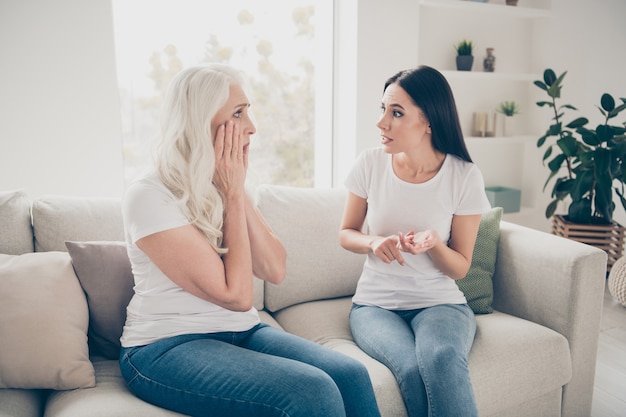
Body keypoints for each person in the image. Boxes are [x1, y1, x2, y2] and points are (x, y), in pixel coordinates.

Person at [119, 63, 382, 417]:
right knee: (311, 391)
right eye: (238, 114)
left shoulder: (228, 184)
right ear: (202, 121)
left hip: (241, 331)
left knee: (350, 374)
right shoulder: (148, 196)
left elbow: (274, 270)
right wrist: (230, 195)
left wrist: (235, 189)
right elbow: (238, 296)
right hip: (165, 346)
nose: (252, 128)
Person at [339, 65, 491, 417]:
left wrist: (436, 244)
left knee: (440, 358)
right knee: (408, 368)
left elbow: (460, 267)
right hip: (375, 306)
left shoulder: (464, 176)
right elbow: (346, 233)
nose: (381, 123)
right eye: (383, 110)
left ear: (430, 122)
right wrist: (373, 242)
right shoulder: (370, 164)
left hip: (440, 303)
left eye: (396, 113)